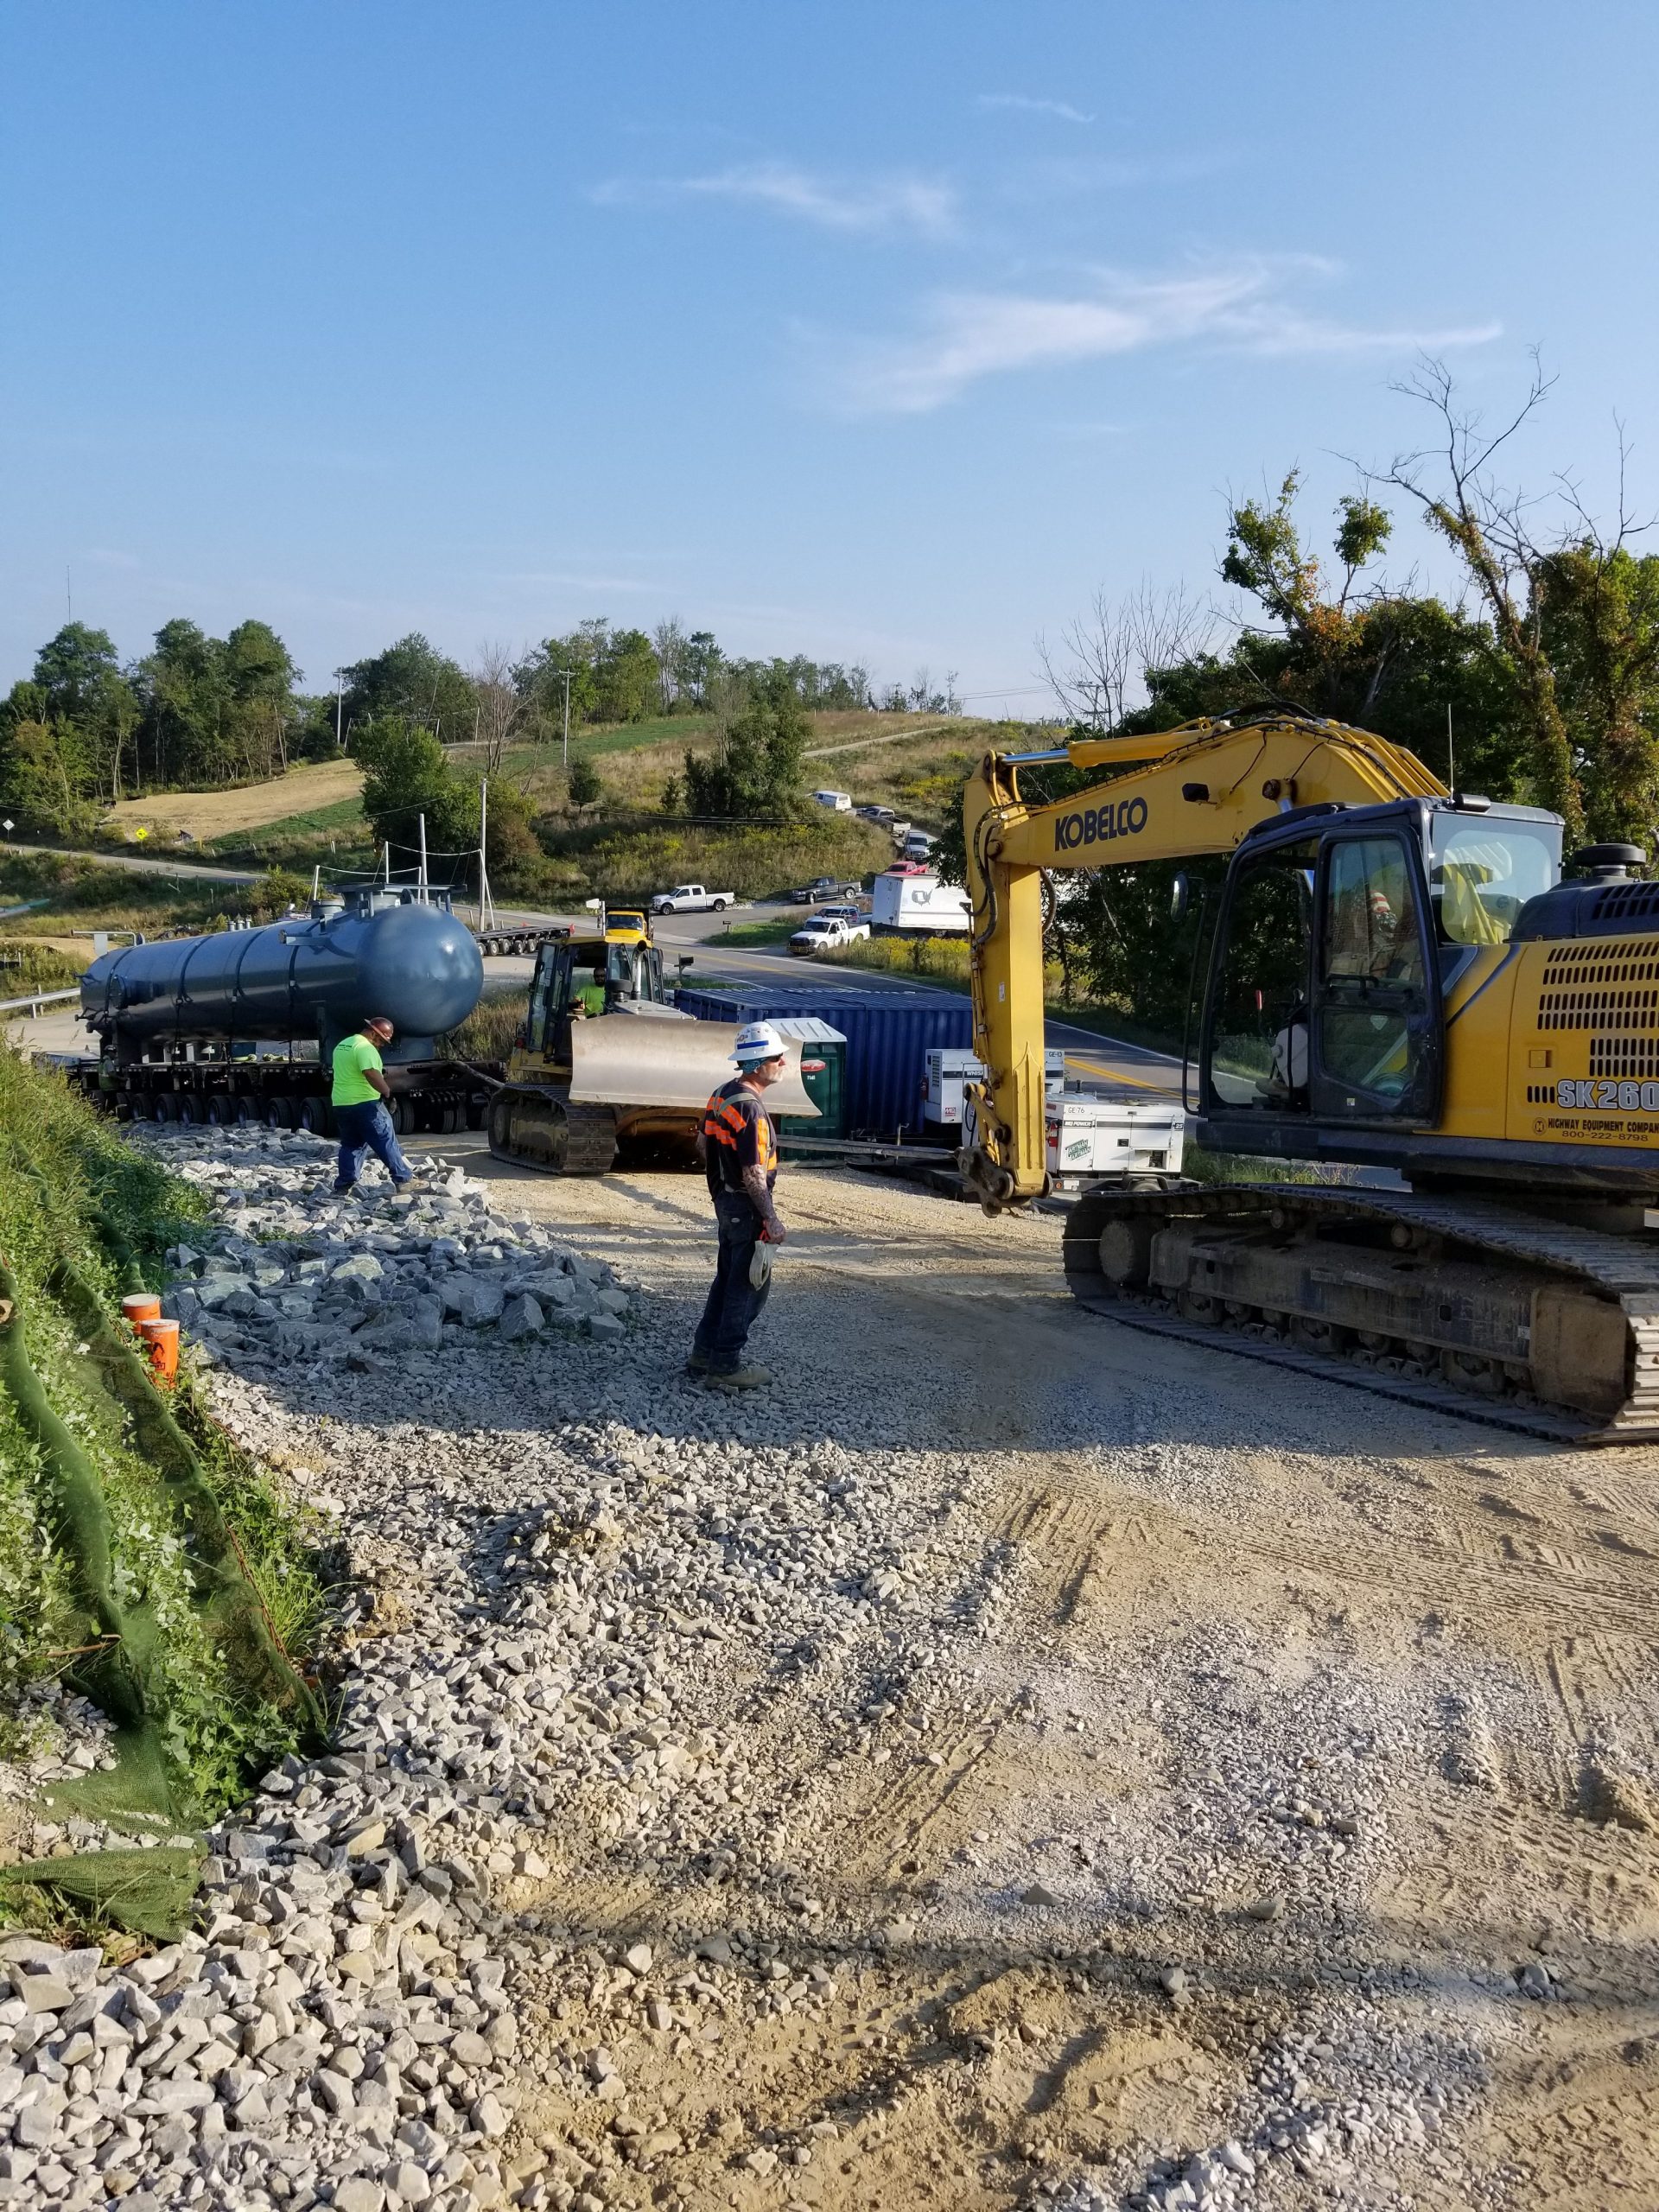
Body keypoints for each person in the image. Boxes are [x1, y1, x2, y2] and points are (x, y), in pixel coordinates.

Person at [688, 1021, 789, 1389]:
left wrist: (723, 1182)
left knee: (726, 1279)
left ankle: (703, 1353)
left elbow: (702, 1145)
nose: (783, 1063)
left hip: (725, 1203)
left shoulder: (722, 1095)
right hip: (745, 1208)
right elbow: (753, 1173)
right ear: (759, 1063)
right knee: (748, 1289)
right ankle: (725, 1366)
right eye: (778, 1057)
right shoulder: (752, 1111)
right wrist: (771, 1220)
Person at [330, 1014, 416, 1197]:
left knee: (351, 1144)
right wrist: (387, 1092)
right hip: (366, 1105)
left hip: (342, 1103)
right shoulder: (365, 1048)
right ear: (373, 1033)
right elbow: (370, 1073)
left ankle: (343, 1186)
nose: (383, 1044)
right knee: (386, 1141)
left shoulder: (343, 1045)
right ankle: (404, 1179)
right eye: (383, 1039)